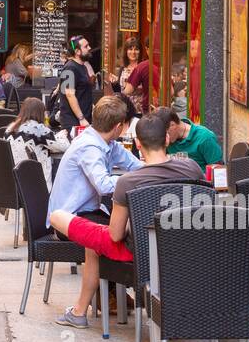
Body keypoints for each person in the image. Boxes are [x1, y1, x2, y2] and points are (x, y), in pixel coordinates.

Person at [47, 112, 205, 328]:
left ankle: (79, 312)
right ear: (167, 139)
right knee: (93, 239)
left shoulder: (127, 182)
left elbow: (115, 234)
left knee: (60, 219)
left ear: (138, 144)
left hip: (138, 251)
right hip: (186, 246)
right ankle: (94, 305)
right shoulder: (193, 169)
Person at [44, 96, 141, 327]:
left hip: (88, 211)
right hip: (67, 218)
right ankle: (99, 300)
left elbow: (134, 166)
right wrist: (129, 180)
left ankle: (111, 295)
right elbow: (104, 185)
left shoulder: (107, 143)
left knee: (123, 230)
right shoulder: (89, 147)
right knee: (110, 238)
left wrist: (155, 170)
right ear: (119, 127)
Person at [6, 97, 62, 184]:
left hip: (16, 181)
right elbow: (63, 146)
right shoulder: (38, 129)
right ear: (40, 113)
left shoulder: (10, 129)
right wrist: (61, 135)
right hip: (38, 184)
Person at [157, 107, 223, 172]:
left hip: (199, 181)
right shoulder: (167, 140)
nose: (164, 137)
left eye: (165, 133)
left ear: (172, 125)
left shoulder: (205, 137)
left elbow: (218, 171)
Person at [58, 36, 96, 134]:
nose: (89, 48)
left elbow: (83, 91)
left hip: (82, 120)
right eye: (86, 46)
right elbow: (69, 95)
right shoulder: (70, 68)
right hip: (73, 122)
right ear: (77, 51)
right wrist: (81, 118)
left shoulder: (82, 67)